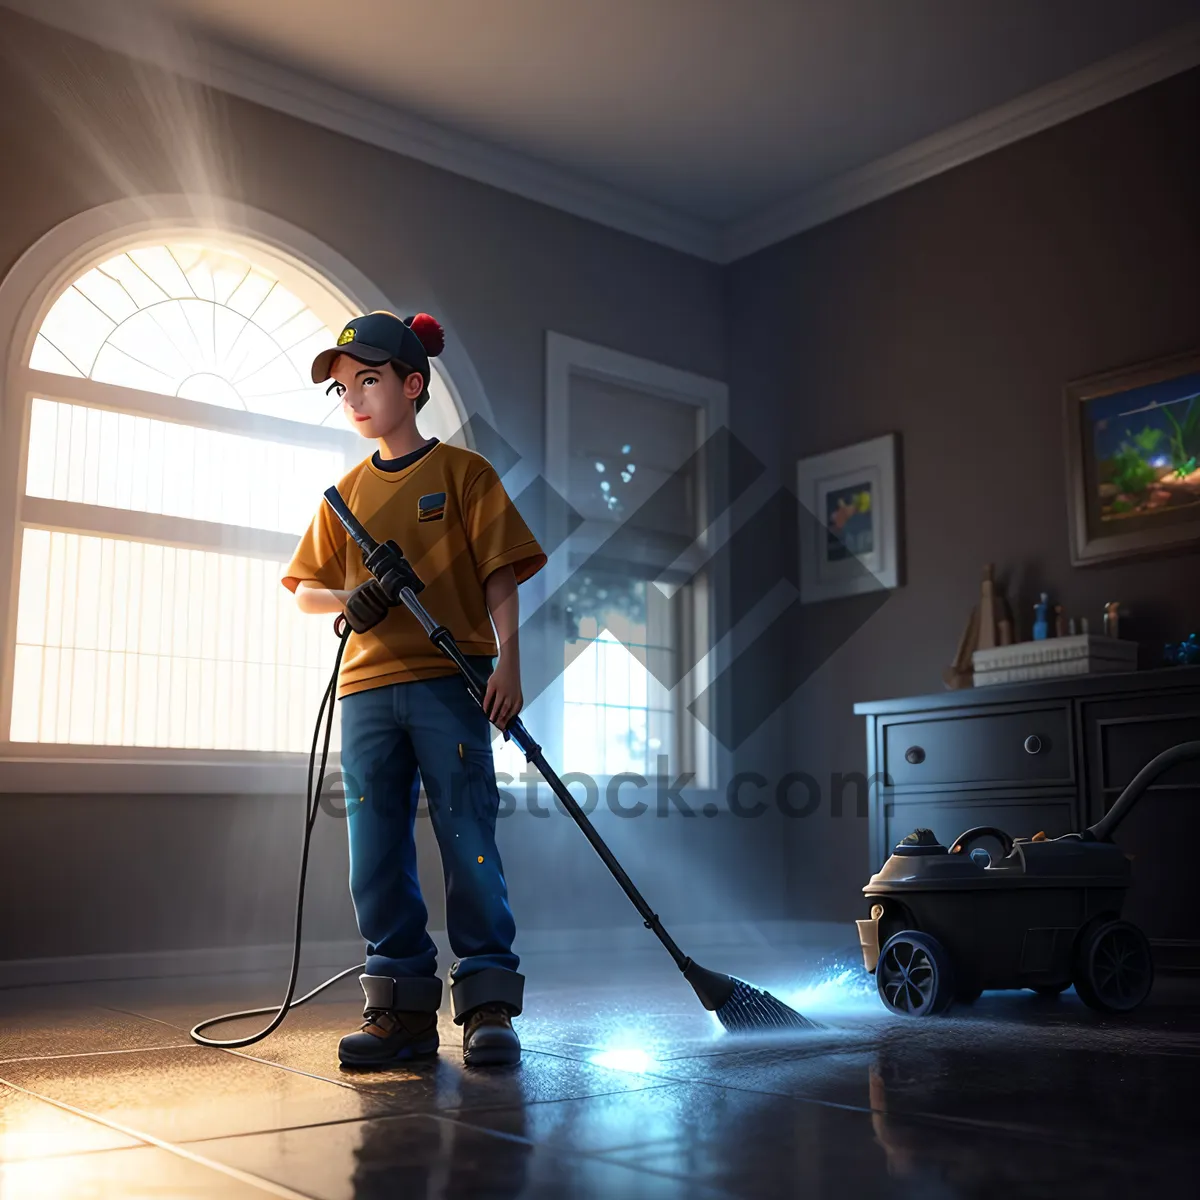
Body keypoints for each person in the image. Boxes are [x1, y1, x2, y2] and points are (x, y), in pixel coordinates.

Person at [282, 310, 546, 1067]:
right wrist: (348, 601)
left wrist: (509, 663)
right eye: (341, 388)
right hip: (364, 694)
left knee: (469, 838)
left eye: (367, 380)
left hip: (449, 681)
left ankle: (489, 1003)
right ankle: (397, 1010)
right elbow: (305, 589)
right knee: (375, 847)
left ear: (412, 383)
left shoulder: (464, 475)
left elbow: (500, 572)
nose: (354, 398)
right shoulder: (343, 495)